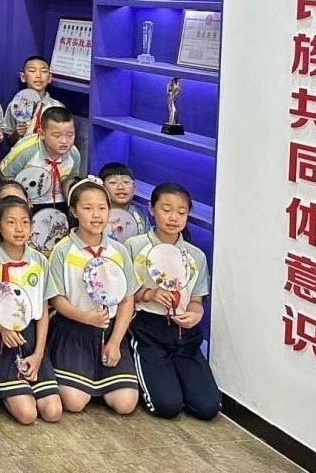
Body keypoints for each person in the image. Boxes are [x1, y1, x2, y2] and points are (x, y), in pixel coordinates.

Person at [126, 183, 219, 420]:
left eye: (181, 212)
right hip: (147, 327)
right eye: (166, 210)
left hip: (183, 333)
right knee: (167, 406)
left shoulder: (195, 255)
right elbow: (122, 295)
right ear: (151, 209)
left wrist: (195, 315)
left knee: (208, 407)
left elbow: (196, 300)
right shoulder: (135, 246)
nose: (174, 218)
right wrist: (149, 294)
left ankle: (177, 380)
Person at [46, 177, 139, 415]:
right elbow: (56, 299)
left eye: (102, 208)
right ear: (74, 211)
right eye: (87, 208)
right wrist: (85, 317)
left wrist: (115, 341)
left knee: (126, 404)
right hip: (73, 331)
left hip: (110, 332)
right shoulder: (62, 250)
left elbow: (127, 298)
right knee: (74, 403)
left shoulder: (118, 251)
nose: (96, 215)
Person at [0, 196, 62, 424]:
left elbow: (43, 310)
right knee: (27, 414)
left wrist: (39, 354)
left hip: (31, 339)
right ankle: (3, 391)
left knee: (53, 412)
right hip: (0, 339)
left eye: (25, 222)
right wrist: (2, 328)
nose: (19, 229)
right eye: (11, 222)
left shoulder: (39, 261)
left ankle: (27, 378)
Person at [0, 107, 82, 210]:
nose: (64, 141)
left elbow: (71, 178)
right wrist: (21, 196)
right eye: (57, 135)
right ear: (42, 134)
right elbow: (4, 175)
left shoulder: (74, 154)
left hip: (58, 200)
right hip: (27, 201)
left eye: (70, 135)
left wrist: (71, 198)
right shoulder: (25, 151)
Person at [3, 56, 65, 143]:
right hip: (22, 150)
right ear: (23, 77)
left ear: (49, 78)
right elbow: (8, 139)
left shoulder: (57, 107)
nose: (38, 75)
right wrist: (17, 133)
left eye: (44, 71)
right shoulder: (15, 106)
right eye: (32, 71)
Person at [99, 162, 150, 236]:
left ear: (134, 189)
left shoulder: (140, 215)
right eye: (113, 182)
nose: (121, 187)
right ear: (102, 189)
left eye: (126, 182)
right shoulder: (97, 215)